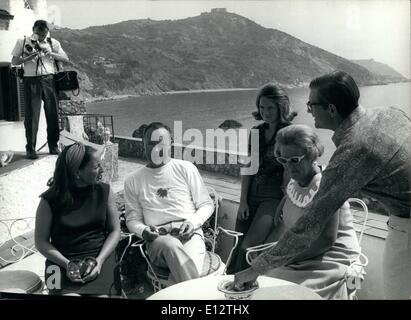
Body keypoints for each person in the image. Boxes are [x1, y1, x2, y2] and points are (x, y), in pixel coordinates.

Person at [233, 71, 411, 300]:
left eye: (311, 104)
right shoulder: (391, 113)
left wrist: (255, 269)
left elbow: (308, 227)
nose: (308, 110)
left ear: (331, 109)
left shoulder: (353, 151)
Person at [247, 124, 361, 299]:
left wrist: (279, 259)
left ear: (311, 156)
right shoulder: (296, 181)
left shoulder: (327, 184)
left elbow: (326, 241)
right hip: (304, 254)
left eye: (294, 160)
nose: (288, 167)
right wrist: (284, 201)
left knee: (283, 293)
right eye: (283, 161)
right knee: (264, 287)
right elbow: (298, 205)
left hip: (330, 258)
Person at [124, 122, 214, 284]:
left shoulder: (186, 168)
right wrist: (144, 231)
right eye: (151, 143)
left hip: (190, 234)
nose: (156, 148)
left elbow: (206, 204)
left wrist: (192, 223)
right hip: (159, 239)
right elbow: (132, 219)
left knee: (186, 269)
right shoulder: (133, 180)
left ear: (170, 144)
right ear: (143, 144)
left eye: (161, 142)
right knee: (172, 247)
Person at [35, 142, 121, 296]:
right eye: (96, 167)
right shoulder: (49, 200)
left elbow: (115, 231)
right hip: (59, 264)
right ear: (77, 173)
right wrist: (67, 264)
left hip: (99, 259)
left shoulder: (105, 192)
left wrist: (100, 261)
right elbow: (41, 242)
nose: (101, 170)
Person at [227, 83, 297, 273]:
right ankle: (228, 289)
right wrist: (242, 201)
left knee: (249, 248)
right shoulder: (256, 131)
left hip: (273, 197)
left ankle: (240, 288)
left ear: (281, 107)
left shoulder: (290, 133)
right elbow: (249, 166)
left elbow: (290, 171)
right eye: (262, 107)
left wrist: (285, 203)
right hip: (252, 193)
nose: (265, 112)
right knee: (237, 243)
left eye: (270, 108)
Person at [11, 20, 69, 159]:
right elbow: (14, 61)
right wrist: (29, 57)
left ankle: (53, 146)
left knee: (53, 114)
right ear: (33, 30)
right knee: (31, 116)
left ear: (47, 31)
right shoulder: (23, 41)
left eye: (44, 34)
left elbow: (66, 58)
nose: (41, 37)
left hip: (49, 79)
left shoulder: (53, 42)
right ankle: (31, 149)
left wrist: (51, 53)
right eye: (38, 33)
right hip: (31, 80)